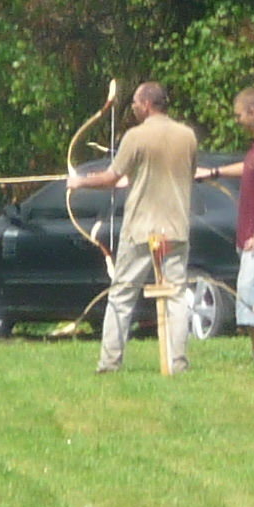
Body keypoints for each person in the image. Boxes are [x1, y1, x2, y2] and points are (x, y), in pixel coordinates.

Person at [70, 81, 198, 374]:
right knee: (176, 296)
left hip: (142, 229)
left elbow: (111, 177)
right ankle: (177, 362)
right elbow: (182, 175)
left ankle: (109, 362)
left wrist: (79, 182)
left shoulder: (136, 136)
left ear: (148, 105)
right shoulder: (187, 136)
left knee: (122, 294)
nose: (134, 108)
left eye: (136, 104)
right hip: (176, 228)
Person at [197, 87, 254, 363]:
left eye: (239, 115)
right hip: (250, 235)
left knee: (249, 291)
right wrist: (213, 173)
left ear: (253, 111)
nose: (237, 121)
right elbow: (248, 167)